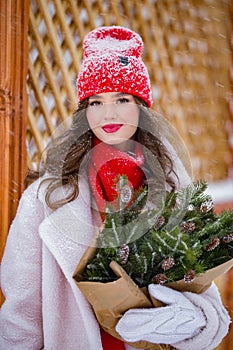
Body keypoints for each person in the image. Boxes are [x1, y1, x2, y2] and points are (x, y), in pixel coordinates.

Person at [0, 26, 231, 350]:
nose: (108, 112)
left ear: (140, 108)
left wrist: (188, 322)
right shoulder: (45, 198)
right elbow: (19, 323)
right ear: (85, 111)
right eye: (96, 102)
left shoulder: (172, 188)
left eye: (121, 99)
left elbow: (213, 315)